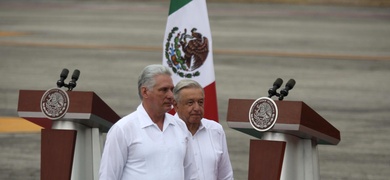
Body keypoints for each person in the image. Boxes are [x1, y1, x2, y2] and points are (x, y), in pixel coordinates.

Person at [99, 64, 198, 180]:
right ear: (145, 92)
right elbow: (108, 176)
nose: (171, 96)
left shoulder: (180, 126)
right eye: (164, 90)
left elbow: (192, 175)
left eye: (172, 89)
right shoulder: (123, 129)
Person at [173, 79, 234, 180]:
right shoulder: (165, 131)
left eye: (200, 102)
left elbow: (225, 175)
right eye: (190, 102)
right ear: (176, 105)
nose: (197, 108)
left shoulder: (215, 130)